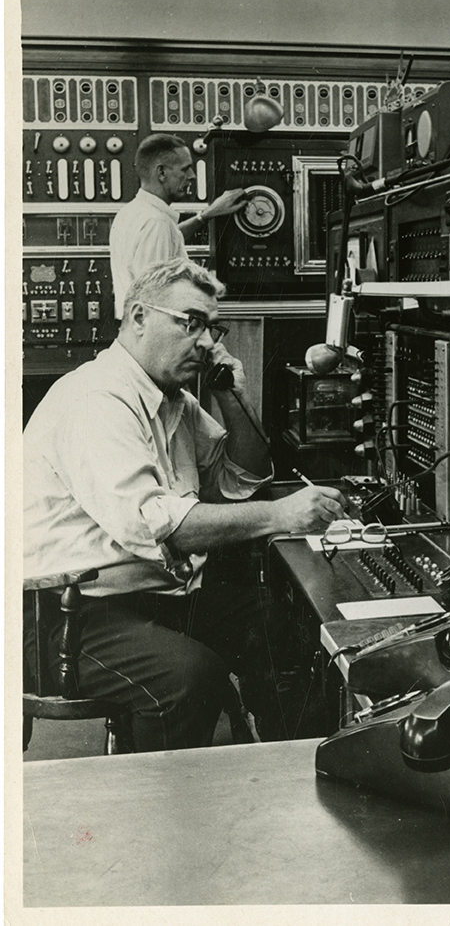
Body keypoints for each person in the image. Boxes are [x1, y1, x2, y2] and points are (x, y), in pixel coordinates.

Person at [23, 257, 346, 751]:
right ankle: (161, 818)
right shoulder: (96, 399)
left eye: (212, 329)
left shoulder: (173, 399)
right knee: (189, 680)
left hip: (149, 595)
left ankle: (297, 770)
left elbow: (243, 478)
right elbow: (159, 526)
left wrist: (234, 398)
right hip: (67, 615)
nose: (206, 342)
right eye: (190, 323)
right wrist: (282, 515)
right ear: (137, 318)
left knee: (279, 629)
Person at [109, 133, 246, 319]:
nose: (192, 176)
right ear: (162, 173)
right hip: (155, 336)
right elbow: (155, 301)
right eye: (185, 169)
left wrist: (207, 215)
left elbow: (170, 238)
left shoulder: (131, 213)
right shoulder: (157, 223)